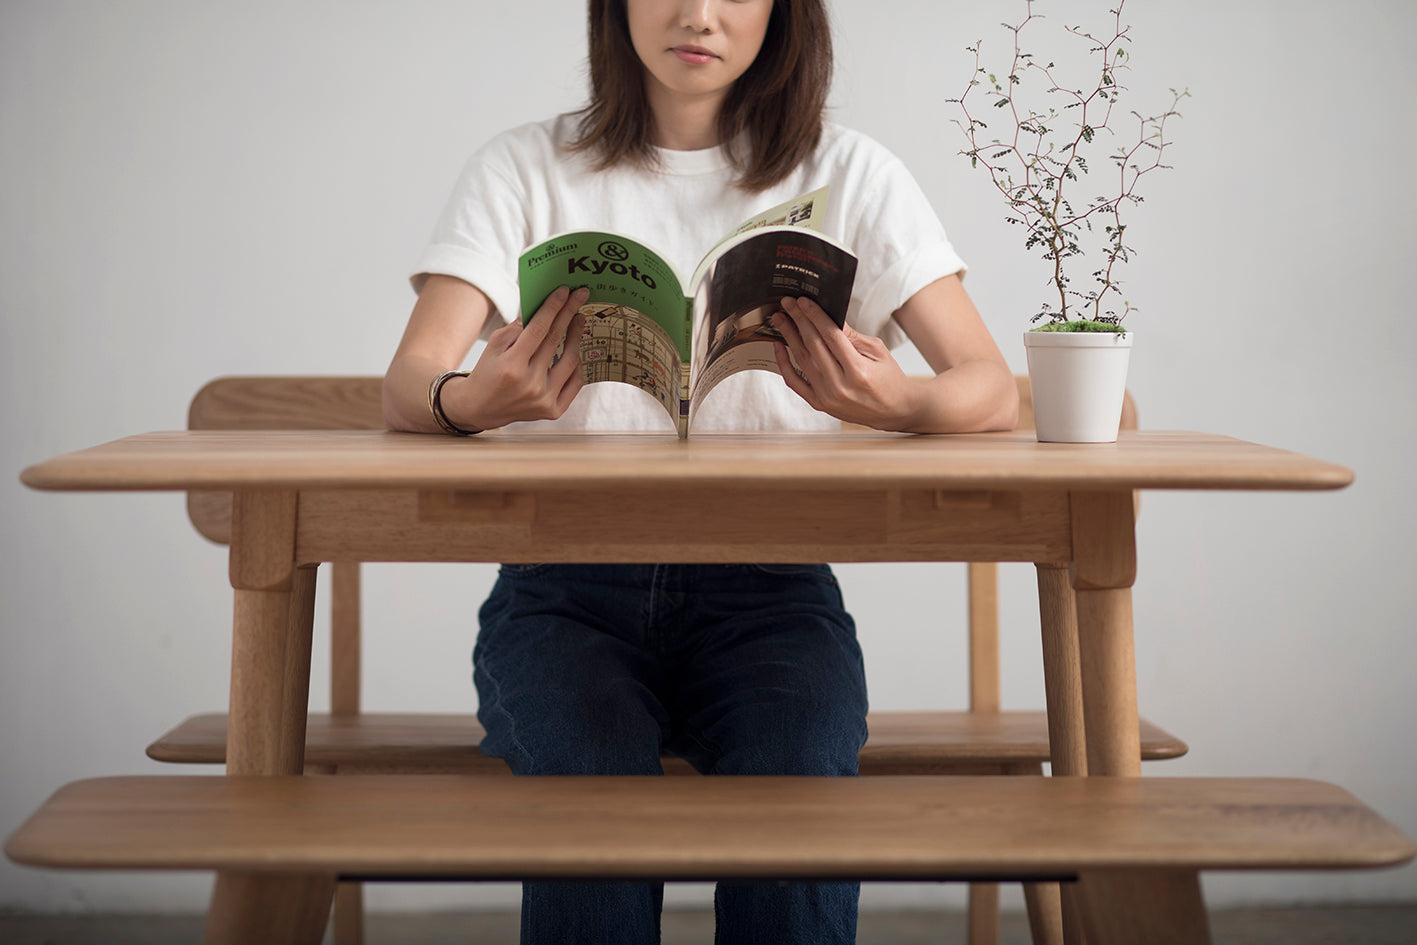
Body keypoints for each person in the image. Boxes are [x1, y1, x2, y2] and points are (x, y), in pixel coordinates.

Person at [382, 1, 1018, 942]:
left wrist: (901, 406)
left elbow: (990, 386)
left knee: (797, 791)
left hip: (774, 590)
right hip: (561, 594)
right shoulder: (523, 166)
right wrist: (471, 403)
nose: (698, 14)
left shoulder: (850, 173)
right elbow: (407, 383)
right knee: (593, 802)